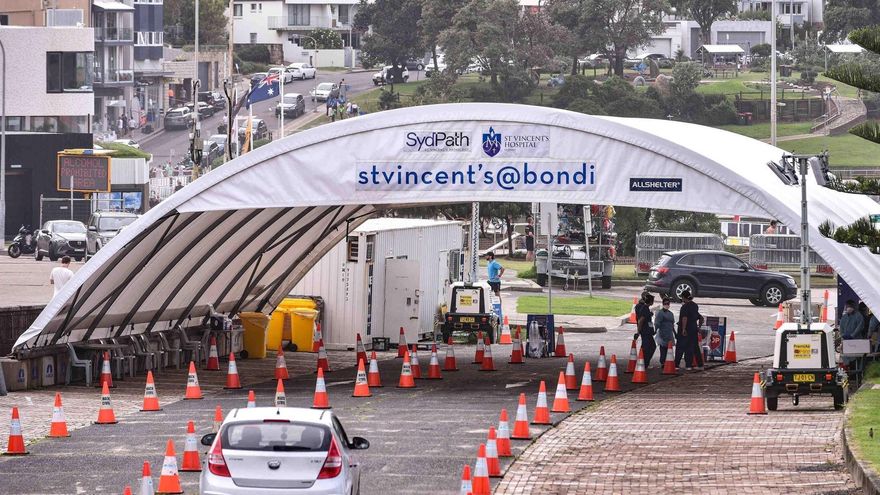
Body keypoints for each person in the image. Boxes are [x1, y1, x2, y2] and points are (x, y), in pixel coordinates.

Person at [675, 290, 704, 370]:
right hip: (693, 329)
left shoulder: (685, 307)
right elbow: (701, 318)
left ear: (683, 297)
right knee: (694, 347)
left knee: (681, 347)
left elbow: (684, 318)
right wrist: (699, 327)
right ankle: (697, 365)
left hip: (685, 330)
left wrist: (683, 329)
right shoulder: (695, 306)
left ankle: (676, 365)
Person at [634, 292, 657, 366]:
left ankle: (644, 362)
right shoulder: (644, 308)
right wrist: (638, 331)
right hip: (645, 331)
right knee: (648, 347)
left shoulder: (646, 308)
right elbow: (641, 320)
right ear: (650, 301)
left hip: (648, 331)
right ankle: (644, 362)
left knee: (648, 346)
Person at [654, 297, 676, 366]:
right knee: (663, 349)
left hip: (669, 334)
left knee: (669, 349)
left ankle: (668, 362)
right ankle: (663, 362)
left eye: (668, 304)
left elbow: (672, 325)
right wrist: (655, 330)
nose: (667, 305)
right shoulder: (660, 313)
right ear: (663, 304)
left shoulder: (671, 314)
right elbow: (657, 323)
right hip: (662, 333)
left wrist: (675, 333)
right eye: (665, 304)